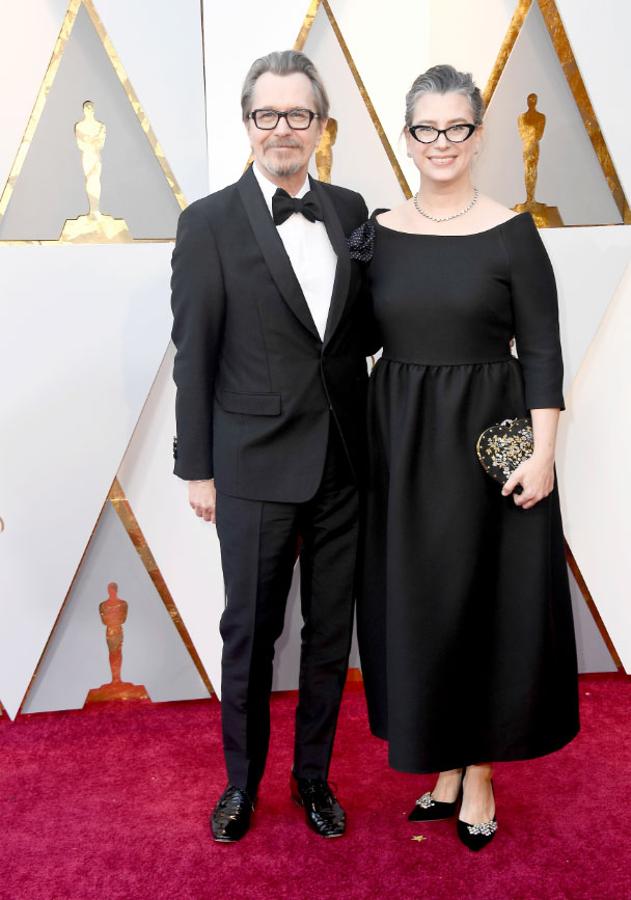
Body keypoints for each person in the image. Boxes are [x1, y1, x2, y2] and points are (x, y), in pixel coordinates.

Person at [350, 65, 579, 851]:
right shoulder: (376, 234)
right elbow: (350, 340)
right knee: (419, 605)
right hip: (401, 445)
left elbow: (541, 353)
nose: (440, 142)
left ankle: (477, 770)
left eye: (456, 127)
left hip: (490, 446)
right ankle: (442, 764)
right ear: (406, 137)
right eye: (426, 128)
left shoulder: (512, 233)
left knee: (484, 604)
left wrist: (542, 456)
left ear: (477, 136)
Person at [170, 50, 374, 842]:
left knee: (328, 636)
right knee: (250, 634)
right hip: (251, 464)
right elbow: (194, 353)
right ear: (247, 123)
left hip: (344, 461)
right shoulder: (208, 222)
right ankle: (240, 785)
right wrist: (198, 468)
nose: (282, 129)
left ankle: (312, 779)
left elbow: (360, 333)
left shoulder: (350, 208)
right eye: (267, 114)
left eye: (298, 114)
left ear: (321, 125)